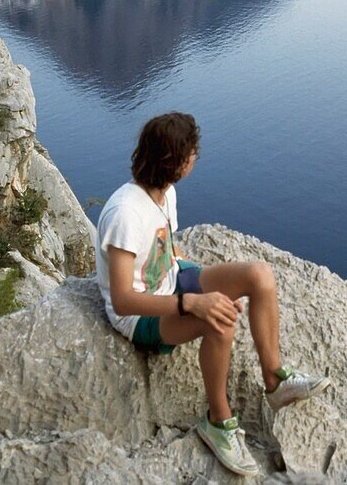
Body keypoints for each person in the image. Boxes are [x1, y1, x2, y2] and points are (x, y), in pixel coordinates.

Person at [95, 112, 330, 477]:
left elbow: (166, 254)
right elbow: (124, 298)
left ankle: (275, 381)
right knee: (220, 320)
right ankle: (218, 421)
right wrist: (193, 303)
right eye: (192, 152)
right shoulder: (125, 213)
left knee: (259, 275)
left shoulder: (163, 193)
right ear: (175, 160)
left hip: (172, 281)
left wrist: (200, 281)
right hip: (140, 315)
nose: (196, 158)